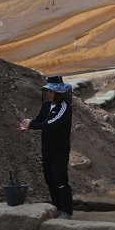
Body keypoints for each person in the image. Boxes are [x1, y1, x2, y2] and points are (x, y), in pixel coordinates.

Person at [18, 76, 74, 219]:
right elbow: (39, 120)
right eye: (47, 91)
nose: (48, 93)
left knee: (60, 180)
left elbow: (51, 124)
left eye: (51, 91)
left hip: (59, 151)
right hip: (47, 149)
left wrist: (32, 125)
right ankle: (57, 207)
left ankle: (67, 211)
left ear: (58, 93)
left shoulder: (65, 108)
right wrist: (29, 123)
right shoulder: (46, 106)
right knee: (50, 179)